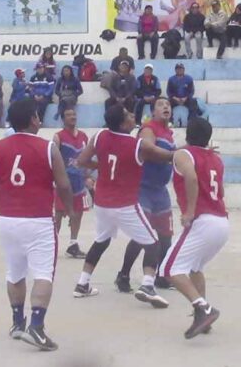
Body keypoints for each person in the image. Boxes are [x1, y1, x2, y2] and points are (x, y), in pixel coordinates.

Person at [0, 99, 75, 351]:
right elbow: (64, 185)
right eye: (37, 116)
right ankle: (37, 326)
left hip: (8, 220)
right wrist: (69, 209)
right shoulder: (48, 148)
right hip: (38, 220)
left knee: (15, 273)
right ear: (33, 119)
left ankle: (17, 322)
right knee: (43, 274)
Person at [72, 104, 175, 308]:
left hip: (102, 202)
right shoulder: (136, 145)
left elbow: (82, 160)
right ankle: (147, 285)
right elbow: (164, 155)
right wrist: (187, 153)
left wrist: (100, 165)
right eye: (128, 115)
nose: (132, 115)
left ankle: (82, 283)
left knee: (101, 241)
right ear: (122, 123)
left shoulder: (100, 136)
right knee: (153, 243)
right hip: (125, 204)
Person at [161, 117, 228, 338]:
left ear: (187, 133)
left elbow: (190, 177)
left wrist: (189, 211)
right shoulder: (216, 159)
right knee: (195, 267)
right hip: (221, 222)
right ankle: (204, 319)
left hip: (203, 221)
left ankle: (203, 309)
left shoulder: (183, 154)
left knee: (169, 269)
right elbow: (220, 191)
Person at [117, 98, 176, 292]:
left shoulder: (169, 133)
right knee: (143, 235)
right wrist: (174, 155)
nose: (166, 107)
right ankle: (124, 274)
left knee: (165, 236)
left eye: (168, 105)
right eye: (160, 105)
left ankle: (160, 276)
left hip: (160, 190)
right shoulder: (148, 129)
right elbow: (148, 149)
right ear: (152, 112)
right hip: (143, 188)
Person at [53, 108, 91, 259]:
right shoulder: (58, 137)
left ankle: (73, 244)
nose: (72, 117)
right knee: (59, 213)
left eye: (74, 114)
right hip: (64, 182)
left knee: (78, 213)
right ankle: (52, 244)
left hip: (79, 181)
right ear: (63, 119)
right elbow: (53, 158)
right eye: (68, 115)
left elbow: (87, 157)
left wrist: (87, 175)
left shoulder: (83, 136)